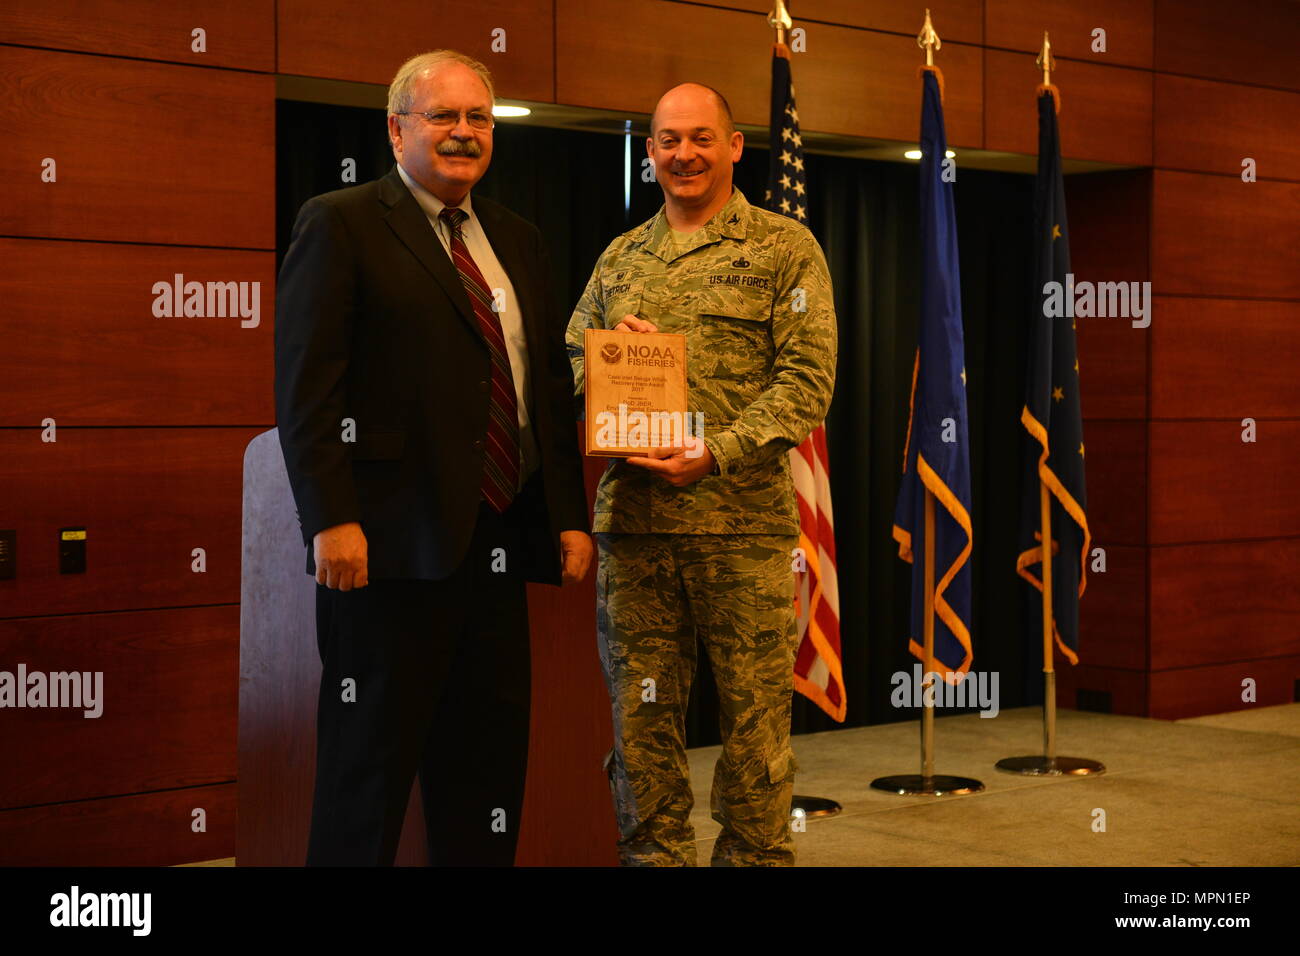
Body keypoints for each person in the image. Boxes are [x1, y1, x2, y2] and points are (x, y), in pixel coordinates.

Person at [275, 49, 593, 866]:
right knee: (365, 779)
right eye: (443, 117)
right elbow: (307, 390)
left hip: (495, 549)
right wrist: (331, 518)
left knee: (485, 777)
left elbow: (543, 392)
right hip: (382, 553)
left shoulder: (517, 240)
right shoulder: (339, 221)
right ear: (396, 129)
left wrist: (566, 517)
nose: (463, 133)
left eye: (478, 118)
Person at [566, 82, 837, 866]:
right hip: (637, 534)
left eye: (700, 138)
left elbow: (807, 382)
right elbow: (568, 363)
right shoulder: (621, 257)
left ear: (734, 145)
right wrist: (607, 353)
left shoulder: (785, 248)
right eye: (667, 140)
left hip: (742, 531)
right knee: (640, 735)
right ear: (648, 152)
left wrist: (716, 450)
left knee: (755, 736)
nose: (683, 154)